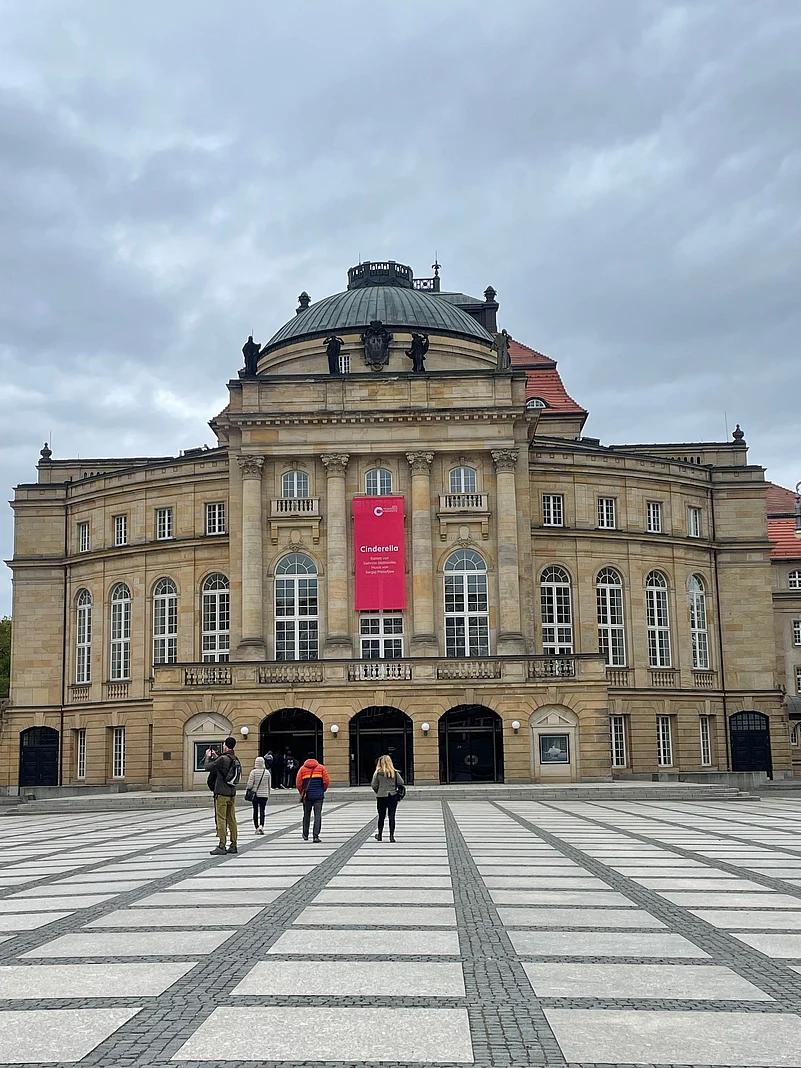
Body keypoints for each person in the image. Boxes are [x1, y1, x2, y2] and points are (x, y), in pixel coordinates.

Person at [204, 736, 241, 855]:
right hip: (232, 793)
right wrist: (216, 757)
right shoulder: (235, 758)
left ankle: (221, 845)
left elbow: (207, 767)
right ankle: (234, 844)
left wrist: (208, 757)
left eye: (224, 744)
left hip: (221, 793)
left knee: (221, 819)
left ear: (226, 746)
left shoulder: (222, 759)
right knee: (232, 819)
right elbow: (223, 764)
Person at [296, 751, 330, 843]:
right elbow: (326, 781)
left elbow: (298, 783)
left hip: (307, 796)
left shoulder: (302, 769)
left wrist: (302, 792)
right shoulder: (321, 768)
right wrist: (322, 790)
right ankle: (316, 836)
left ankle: (305, 834)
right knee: (317, 815)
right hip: (318, 795)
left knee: (306, 815)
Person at [371, 754, 404, 842]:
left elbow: (374, 785)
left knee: (381, 816)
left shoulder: (377, 773)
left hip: (381, 796)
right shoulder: (394, 772)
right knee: (391, 816)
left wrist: (379, 791)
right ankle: (391, 836)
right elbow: (401, 782)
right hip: (392, 795)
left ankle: (380, 835)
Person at [245, 755, 271, 834]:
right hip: (264, 795)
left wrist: (248, 789)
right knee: (262, 810)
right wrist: (268, 794)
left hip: (255, 795)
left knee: (255, 810)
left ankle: (256, 827)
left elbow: (249, 784)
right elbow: (269, 785)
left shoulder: (253, 772)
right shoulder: (267, 772)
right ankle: (261, 826)